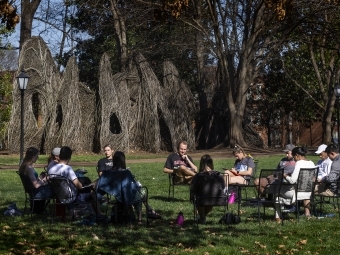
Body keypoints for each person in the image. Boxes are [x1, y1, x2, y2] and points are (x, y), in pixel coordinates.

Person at [97, 151, 161, 221]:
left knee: (139, 190)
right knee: (140, 192)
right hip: (127, 195)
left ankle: (149, 210)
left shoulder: (109, 172)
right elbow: (130, 184)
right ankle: (144, 215)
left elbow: (102, 182)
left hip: (116, 194)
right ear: (123, 160)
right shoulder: (126, 172)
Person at [275, 147, 316, 222]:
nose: (294, 159)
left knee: (277, 192)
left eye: (294, 157)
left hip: (298, 194)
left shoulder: (298, 163)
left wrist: (284, 175)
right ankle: (307, 213)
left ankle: (277, 217)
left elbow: (292, 181)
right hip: (308, 193)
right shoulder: (312, 163)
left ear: (297, 155)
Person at [190, 155, 226, 224]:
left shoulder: (198, 176)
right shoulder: (219, 175)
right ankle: (202, 218)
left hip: (202, 200)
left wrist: (192, 197)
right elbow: (223, 186)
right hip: (218, 199)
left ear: (201, 164)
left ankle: (202, 218)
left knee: (201, 198)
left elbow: (193, 190)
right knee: (209, 196)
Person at [18, 147, 53, 213]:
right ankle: (60, 211)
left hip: (32, 192)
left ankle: (40, 208)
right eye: (37, 155)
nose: (38, 157)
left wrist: (40, 178)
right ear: (33, 156)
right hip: (36, 193)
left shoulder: (24, 165)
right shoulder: (29, 168)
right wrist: (45, 179)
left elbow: (31, 182)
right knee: (55, 189)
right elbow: (36, 185)